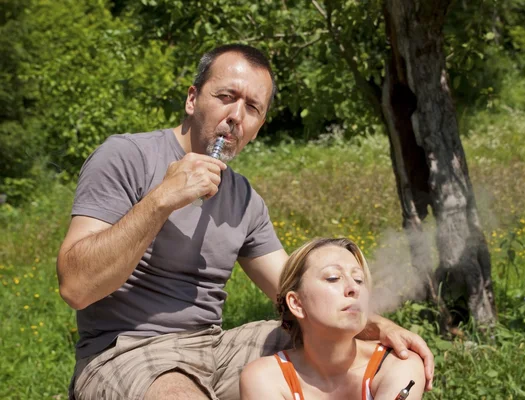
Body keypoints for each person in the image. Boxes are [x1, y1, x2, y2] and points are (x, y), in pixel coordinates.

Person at [56, 44, 434, 400]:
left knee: (370, 353)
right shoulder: (126, 156)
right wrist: (161, 200)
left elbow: (298, 295)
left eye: (252, 107)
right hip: (126, 350)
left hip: (214, 347)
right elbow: (76, 286)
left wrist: (378, 325)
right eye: (226, 98)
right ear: (192, 99)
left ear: (259, 125)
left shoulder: (244, 198)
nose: (236, 116)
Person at [240, 238, 425, 400]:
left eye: (359, 280)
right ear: (296, 303)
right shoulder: (266, 378)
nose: (354, 288)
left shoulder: (398, 364)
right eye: (333, 278)